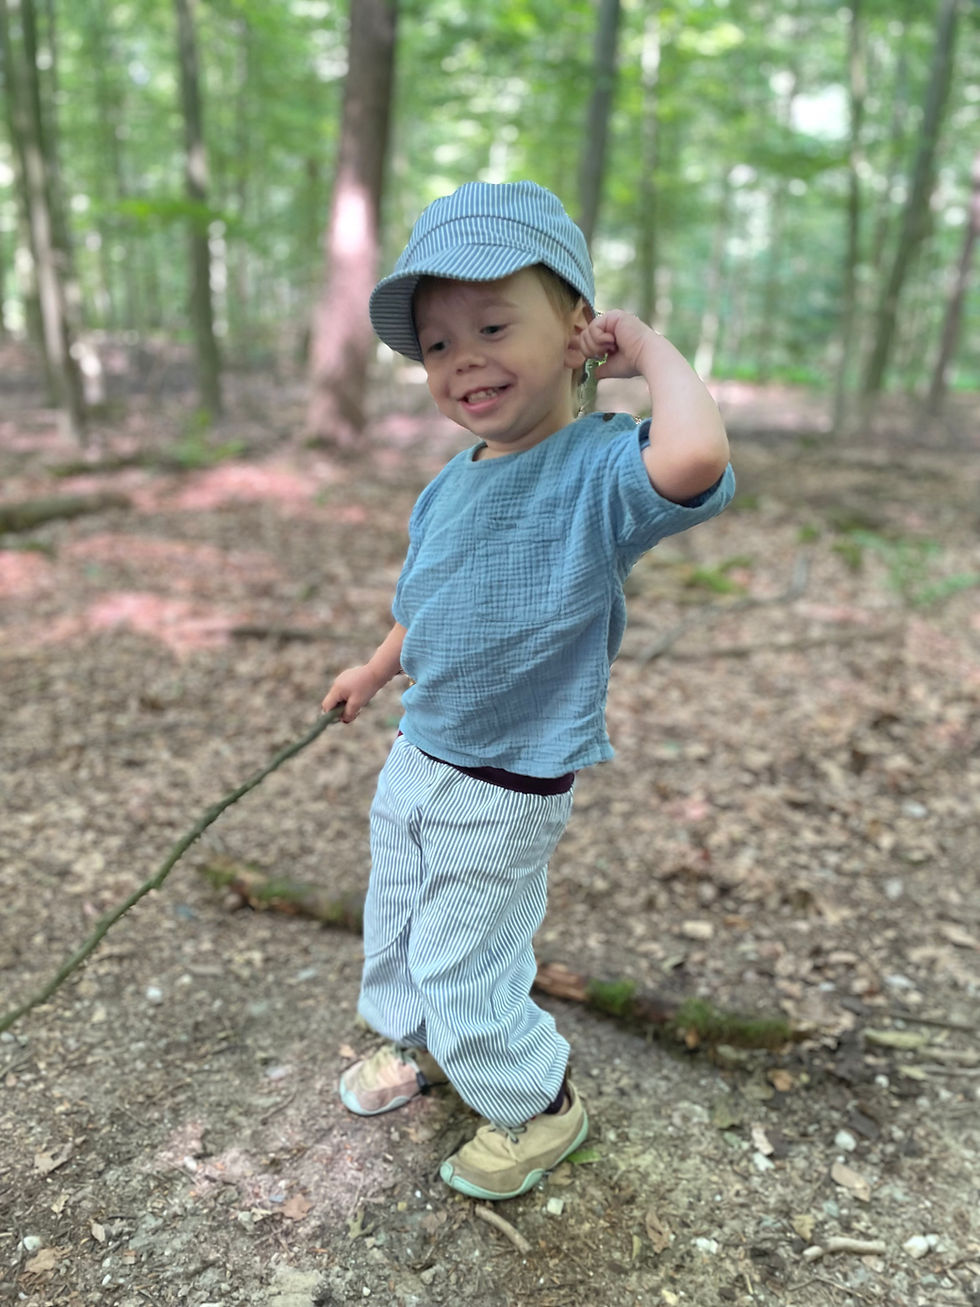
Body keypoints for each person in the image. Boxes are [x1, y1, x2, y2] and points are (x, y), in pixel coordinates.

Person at [321, 180, 734, 1201]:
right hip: (421, 748)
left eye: (494, 324)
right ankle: (422, 1044)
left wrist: (648, 353)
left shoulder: (596, 470)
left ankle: (534, 1102)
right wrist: (375, 667)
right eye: (438, 344)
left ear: (574, 334)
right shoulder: (451, 479)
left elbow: (692, 455)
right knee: (402, 914)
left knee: (468, 947)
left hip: (508, 775)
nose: (464, 359)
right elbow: (427, 600)